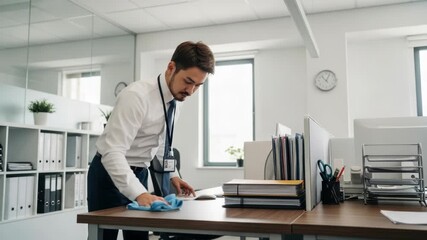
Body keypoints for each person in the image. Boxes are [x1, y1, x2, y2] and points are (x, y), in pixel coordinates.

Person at [87, 41, 215, 240]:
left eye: (198, 85)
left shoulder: (176, 99)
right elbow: (112, 153)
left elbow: (161, 142)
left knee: (138, 237)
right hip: (109, 174)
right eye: (188, 81)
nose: (191, 91)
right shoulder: (136, 96)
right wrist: (140, 194)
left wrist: (173, 175)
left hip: (140, 173)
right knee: (104, 236)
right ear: (171, 67)